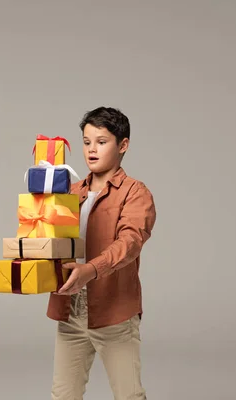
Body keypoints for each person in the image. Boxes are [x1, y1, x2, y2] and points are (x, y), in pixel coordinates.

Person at [47, 107, 157, 400]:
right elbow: (49, 241)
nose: (91, 149)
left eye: (101, 141)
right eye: (86, 142)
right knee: (62, 396)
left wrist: (90, 270)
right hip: (70, 309)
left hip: (114, 313)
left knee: (129, 395)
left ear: (123, 145)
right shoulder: (68, 192)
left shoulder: (135, 193)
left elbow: (130, 242)